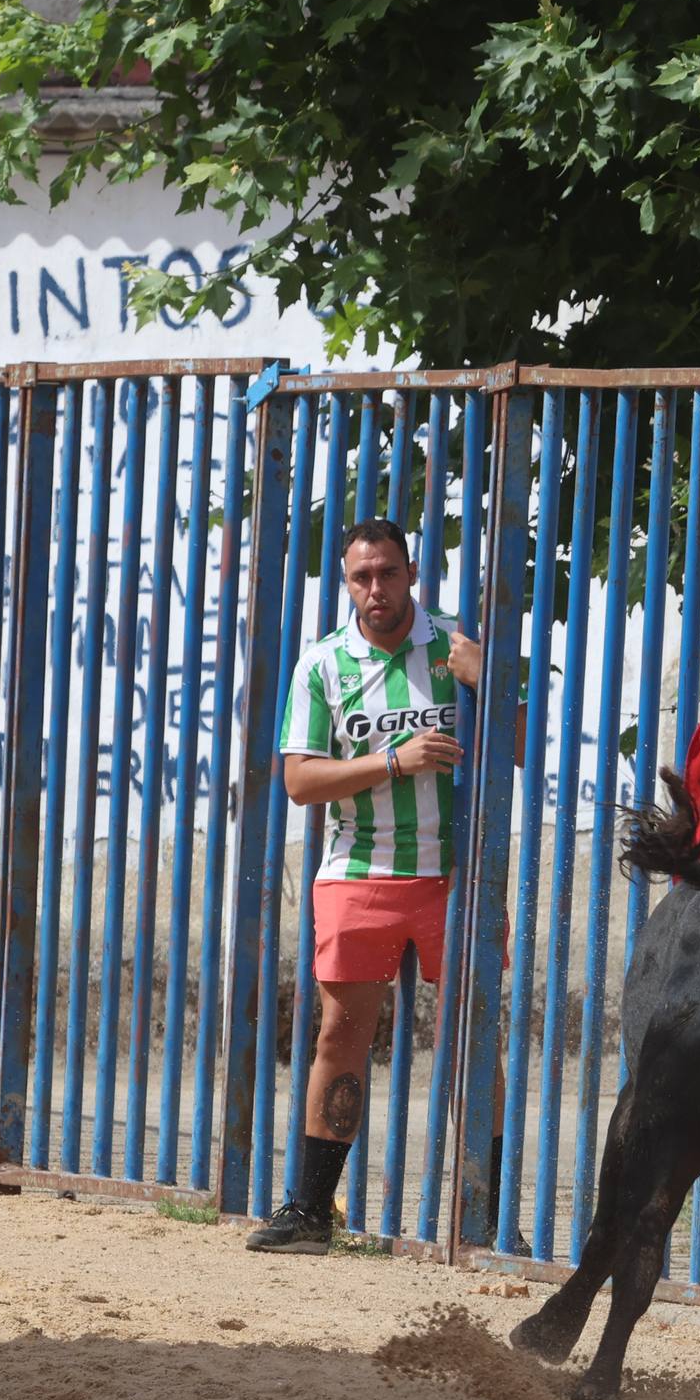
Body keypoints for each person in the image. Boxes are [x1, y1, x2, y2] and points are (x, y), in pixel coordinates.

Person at [247, 520, 483, 1253]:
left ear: (411, 572)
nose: (375, 589)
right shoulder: (323, 665)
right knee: (340, 1036)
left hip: (456, 874)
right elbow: (297, 780)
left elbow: (522, 736)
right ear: (346, 583)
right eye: (361, 577)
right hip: (358, 872)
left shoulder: (452, 649)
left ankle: (493, 1220)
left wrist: (493, 680)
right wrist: (394, 762)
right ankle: (312, 1211)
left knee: (474, 1040)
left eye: (387, 573)